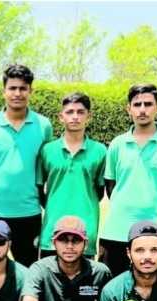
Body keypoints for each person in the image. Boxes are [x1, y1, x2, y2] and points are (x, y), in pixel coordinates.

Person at [0, 64, 53, 266]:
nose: (17, 93)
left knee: (29, 273)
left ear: (30, 91)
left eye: (23, 88)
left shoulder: (44, 126)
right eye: (12, 88)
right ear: (4, 91)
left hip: (28, 212)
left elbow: (44, 167)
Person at [100, 84, 157, 276]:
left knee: (150, 294)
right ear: (128, 109)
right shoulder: (117, 144)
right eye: (137, 104)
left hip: (154, 233)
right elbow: (111, 185)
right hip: (115, 231)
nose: (143, 109)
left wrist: (156, 206)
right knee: (109, 292)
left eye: (148, 104)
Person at [36, 92, 106, 259]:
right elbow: (39, 189)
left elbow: (100, 191)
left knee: (85, 284)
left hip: (86, 233)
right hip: (52, 233)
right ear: (61, 117)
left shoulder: (100, 151)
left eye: (80, 112)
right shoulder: (47, 150)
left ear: (88, 117)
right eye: (70, 112)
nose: (75, 117)